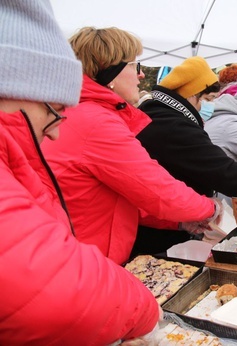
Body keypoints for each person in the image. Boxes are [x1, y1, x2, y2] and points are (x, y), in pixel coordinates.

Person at [0, 1, 159, 343]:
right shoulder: (96, 121)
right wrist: (145, 310)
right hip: (89, 280)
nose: (56, 131)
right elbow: (153, 186)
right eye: (55, 110)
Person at [41, 27, 221, 266]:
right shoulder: (96, 123)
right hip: (86, 261)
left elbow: (117, 199)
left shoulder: (81, 114)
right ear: (110, 72)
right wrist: (209, 207)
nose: (140, 76)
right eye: (134, 66)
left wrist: (178, 222)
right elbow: (158, 189)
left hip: (76, 252)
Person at [137, 56, 237, 255]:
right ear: (192, 94)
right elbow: (224, 171)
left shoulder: (161, 115)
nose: (207, 106)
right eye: (207, 99)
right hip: (156, 235)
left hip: (170, 221)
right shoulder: (171, 125)